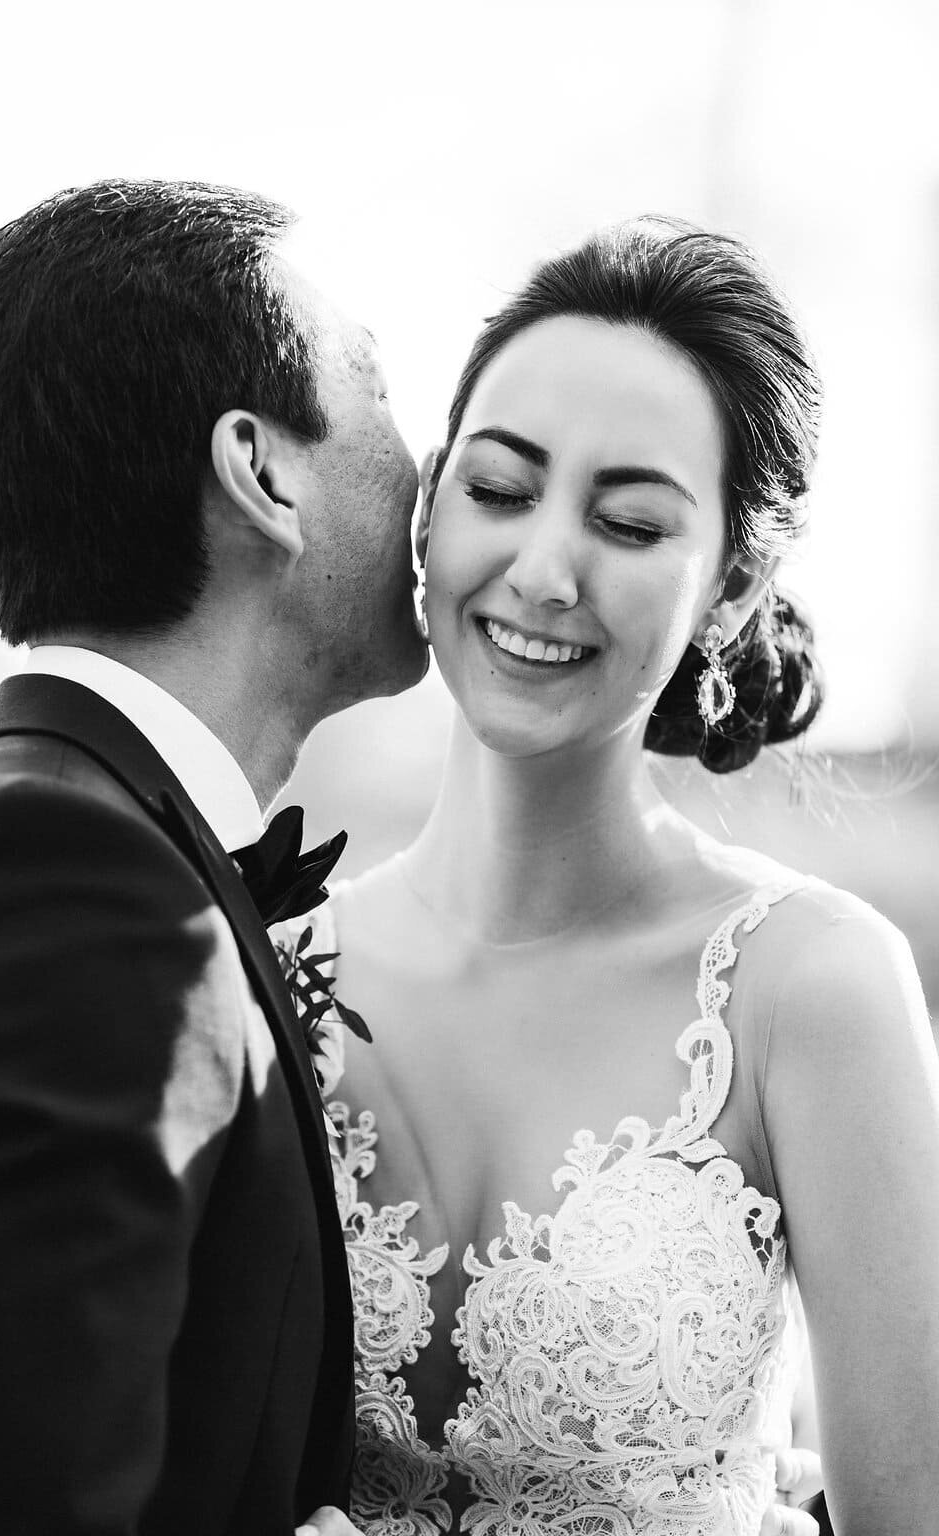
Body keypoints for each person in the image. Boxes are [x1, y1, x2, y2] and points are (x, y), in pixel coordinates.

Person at [278, 219, 939, 1535]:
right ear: (427, 509)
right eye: (502, 488)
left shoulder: (811, 987)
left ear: (733, 580)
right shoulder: (272, 964)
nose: (544, 571)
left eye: (629, 521)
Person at [0, 179, 427, 1534]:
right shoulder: (71, 888)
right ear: (261, 472)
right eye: (378, 386)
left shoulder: (75, 842)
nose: (426, 463)